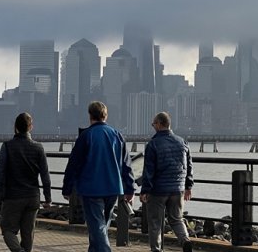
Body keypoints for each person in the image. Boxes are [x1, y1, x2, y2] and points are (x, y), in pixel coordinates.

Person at [62, 101, 136, 252]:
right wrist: (130, 189)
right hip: (113, 188)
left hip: (91, 189)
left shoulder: (86, 136)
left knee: (97, 227)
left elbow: (74, 164)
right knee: (101, 227)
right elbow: (127, 165)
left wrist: (67, 188)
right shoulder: (117, 135)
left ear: (90, 115)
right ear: (105, 115)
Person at [0, 112, 52, 252]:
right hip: (32, 197)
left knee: (7, 230)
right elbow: (45, 175)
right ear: (30, 127)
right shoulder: (38, 147)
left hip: (12, 197)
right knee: (28, 235)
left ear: (15, 127)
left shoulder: (7, 146)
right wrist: (48, 198)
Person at [140, 112, 194, 252]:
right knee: (176, 219)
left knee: (155, 223)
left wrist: (145, 190)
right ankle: (185, 240)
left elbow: (149, 171)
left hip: (158, 190)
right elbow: (188, 166)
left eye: (153, 124)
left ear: (159, 124)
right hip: (178, 189)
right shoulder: (182, 142)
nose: (153, 126)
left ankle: (156, 250)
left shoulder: (153, 144)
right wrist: (188, 186)